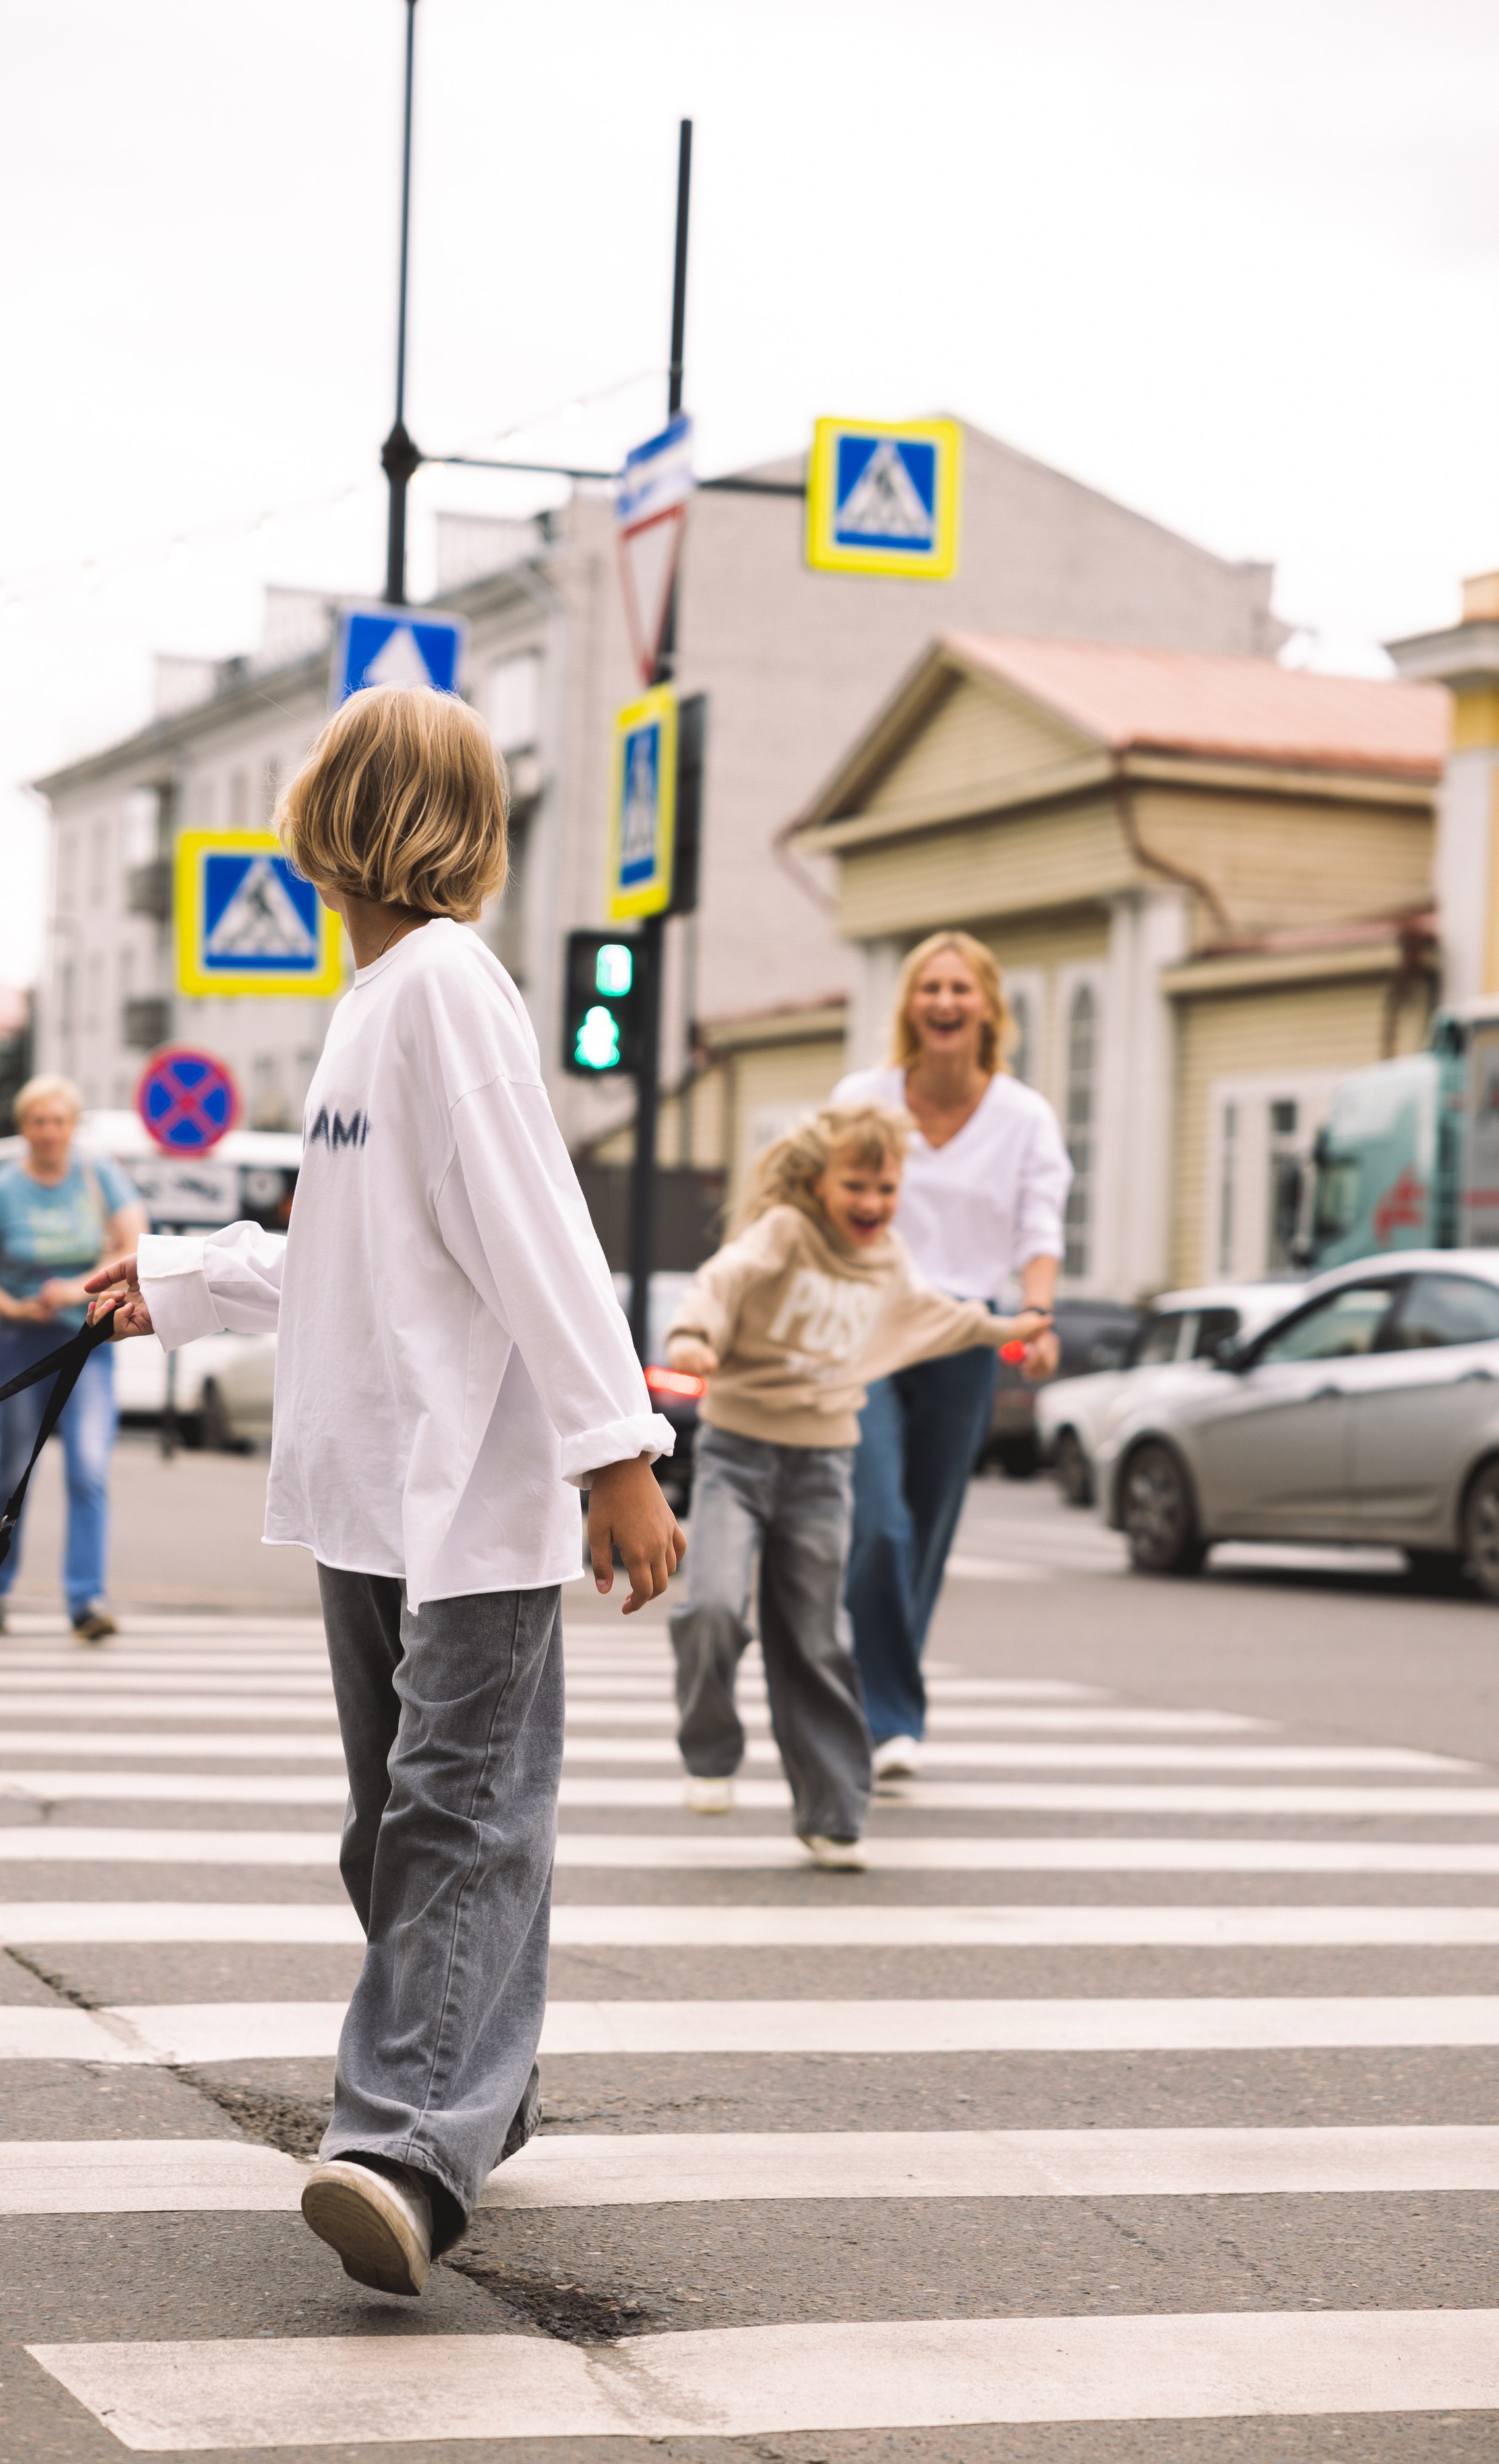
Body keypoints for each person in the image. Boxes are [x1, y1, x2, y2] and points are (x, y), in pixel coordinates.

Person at [86, 682, 682, 2303]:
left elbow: (536, 1233)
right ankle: (480, 2083)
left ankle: (409, 2141)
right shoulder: (368, 1006)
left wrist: (613, 1452)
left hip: (473, 1493)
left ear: (333, 812)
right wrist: (182, 1275)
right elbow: (357, 1249)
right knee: (403, 1824)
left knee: (453, 1814)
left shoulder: (445, 995)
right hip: (372, 1488)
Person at [662, 1103, 1048, 1867]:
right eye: (855, 1186)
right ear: (817, 1182)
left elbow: (935, 1314)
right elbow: (722, 1278)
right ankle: (710, 1751)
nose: (871, 1204)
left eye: (886, 1187)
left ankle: (832, 1812)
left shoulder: (888, 1259)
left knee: (816, 1640)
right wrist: (693, 1336)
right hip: (739, 1455)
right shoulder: (785, 1232)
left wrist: (1009, 1328)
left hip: (821, 1467)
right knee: (708, 1605)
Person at [833, 931, 1071, 1776]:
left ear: (986, 1008)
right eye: (928, 988)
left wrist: (1035, 1318)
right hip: (868, 1328)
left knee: (925, 1536)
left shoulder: (1024, 1116)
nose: (943, 1002)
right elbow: (819, 1202)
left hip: (966, 1337)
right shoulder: (865, 1098)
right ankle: (890, 1714)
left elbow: (1038, 1230)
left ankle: (873, 1698)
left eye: (959, 990)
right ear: (909, 1006)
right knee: (882, 1528)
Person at [0, 1077, 145, 1640]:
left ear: (72, 1126)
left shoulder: (98, 1173)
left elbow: (136, 1244)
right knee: (14, 1470)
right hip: (20, 1344)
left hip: (88, 1343)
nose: (50, 1132)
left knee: (88, 1469)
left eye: (59, 1121)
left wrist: (75, 1291)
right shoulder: (1, 1190)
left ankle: (86, 1601)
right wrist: (10, 1304)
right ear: (23, 1127)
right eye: (39, 1121)